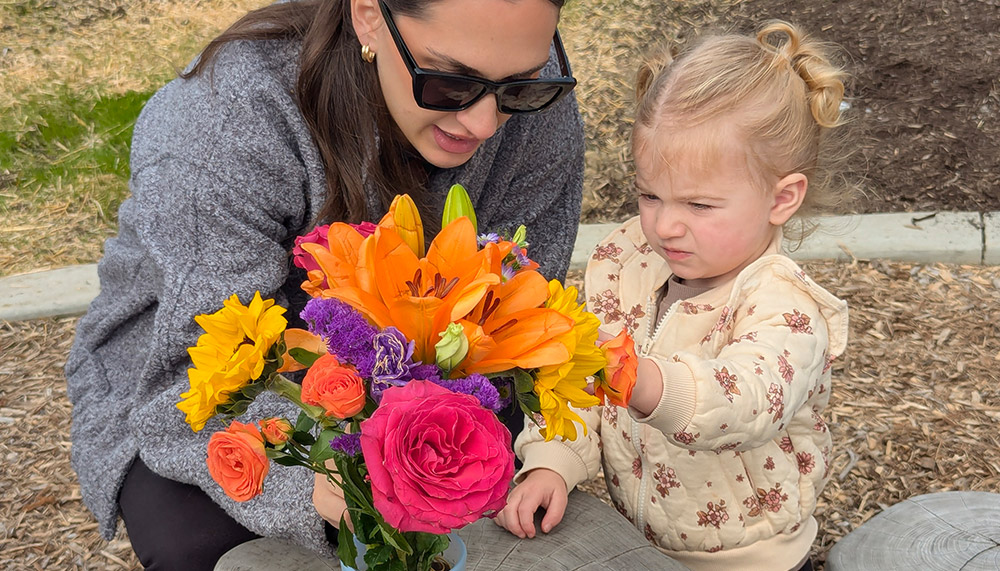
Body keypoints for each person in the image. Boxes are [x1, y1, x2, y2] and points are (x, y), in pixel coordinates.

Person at [64, 0, 584, 567]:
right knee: (206, 551)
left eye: (519, 89)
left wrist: (418, 449)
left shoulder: (539, 110)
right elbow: (193, 370)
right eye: (449, 82)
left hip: (435, 377)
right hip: (195, 381)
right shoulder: (225, 121)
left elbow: (513, 312)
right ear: (368, 16)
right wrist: (345, 479)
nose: (485, 123)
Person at [497, 21, 854, 571]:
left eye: (700, 205)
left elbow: (745, 401)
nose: (665, 226)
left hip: (752, 557)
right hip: (636, 541)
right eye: (650, 194)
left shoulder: (786, 309)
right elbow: (574, 379)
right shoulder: (626, 261)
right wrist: (552, 462)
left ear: (781, 198)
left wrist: (646, 381)